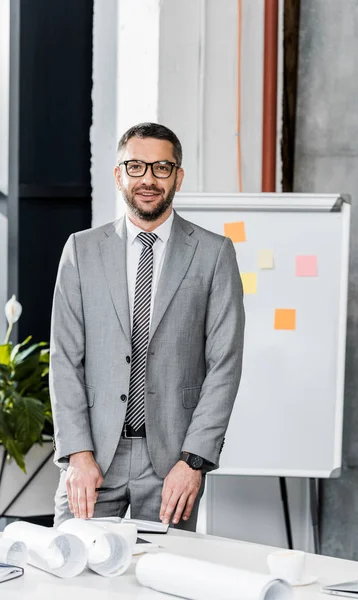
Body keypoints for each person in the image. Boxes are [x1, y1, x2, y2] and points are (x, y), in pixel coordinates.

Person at [50, 122, 245, 531]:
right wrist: (77, 454)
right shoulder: (81, 250)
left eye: (161, 168)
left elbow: (224, 365)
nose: (149, 180)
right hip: (94, 459)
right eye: (136, 167)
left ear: (178, 176)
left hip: (172, 464)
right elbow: (64, 360)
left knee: (162, 584)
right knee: (74, 580)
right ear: (119, 174)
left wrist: (193, 461)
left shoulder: (213, 254)